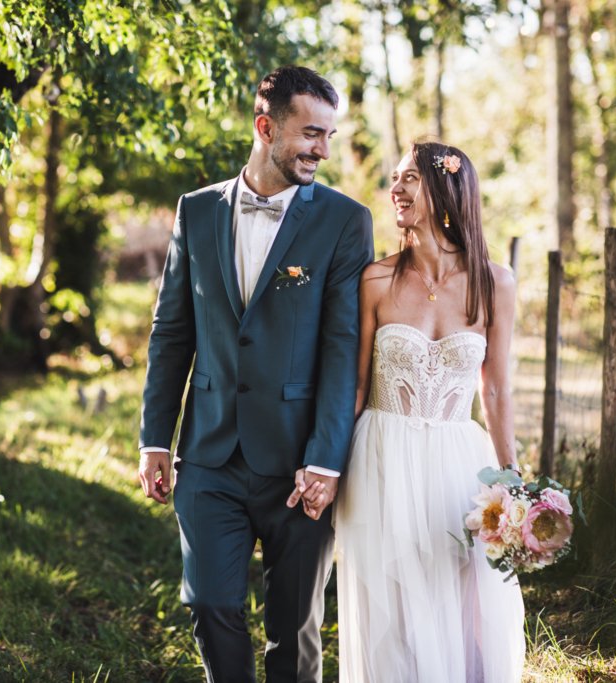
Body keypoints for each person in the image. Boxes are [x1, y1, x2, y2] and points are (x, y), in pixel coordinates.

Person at [137, 65, 374, 683]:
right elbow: (171, 333)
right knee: (212, 605)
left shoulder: (345, 222)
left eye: (329, 136)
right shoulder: (196, 212)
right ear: (266, 127)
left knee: (294, 627)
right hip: (209, 456)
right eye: (310, 134)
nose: (322, 149)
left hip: (300, 464)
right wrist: (155, 438)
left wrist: (326, 459)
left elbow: (342, 347)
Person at [334, 141, 525, 682]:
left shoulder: (496, 283)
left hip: (457, 459)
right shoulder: (375, 279)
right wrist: (328, 466)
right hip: (382, 455)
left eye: (409, 178)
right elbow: (355, 386)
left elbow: (496, 392)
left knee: (463, 596)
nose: (395, 189)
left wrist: (511, 480)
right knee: (390, 605)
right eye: (394, 178)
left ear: (446, 190)